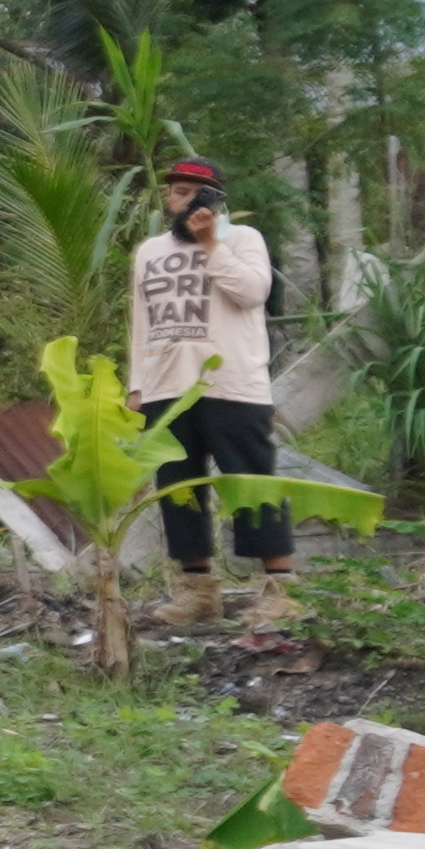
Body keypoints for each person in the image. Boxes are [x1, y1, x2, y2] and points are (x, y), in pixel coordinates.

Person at [131, 159, 292, 616]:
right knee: (178, 489)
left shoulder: (242, 239)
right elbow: (142, 321)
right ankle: (198, 591)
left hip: (231, 382)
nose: (175, 200)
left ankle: (279, 591)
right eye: (173, 192)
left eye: (186, 193)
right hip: (166, 385)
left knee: (252, 482)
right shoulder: (149, 251)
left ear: (211, 199)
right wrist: (136, 385)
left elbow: (252, 292)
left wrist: (209, 245)